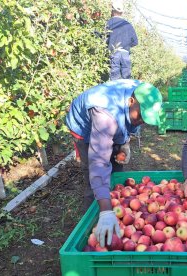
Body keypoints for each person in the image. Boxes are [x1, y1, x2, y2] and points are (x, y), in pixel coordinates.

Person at [65, 79, 162, 247]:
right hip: (84, 126)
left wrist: (124, 143)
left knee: (116, 170)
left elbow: (130, 120)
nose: (142, 122)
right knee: (93, 174)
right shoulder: (105, 116)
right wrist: (106, 212)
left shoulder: (143, 92)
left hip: (114, 118)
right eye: (141, 117)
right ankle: (96, 221)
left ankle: (113, 206)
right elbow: (98, 162)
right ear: (131, 102)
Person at [106, 0, 138, 80]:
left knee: (114, 78)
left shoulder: (109, 22)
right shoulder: (128, 24)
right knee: (126, 78)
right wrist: (126, 44)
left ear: (112, 11)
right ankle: (126, 92)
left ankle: (115, 92)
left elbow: (104, 37)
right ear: (122, 12)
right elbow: (135, 41)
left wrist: (110, 43)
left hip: (114, 52)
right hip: (125, 54)